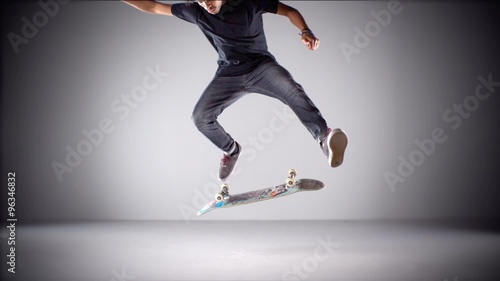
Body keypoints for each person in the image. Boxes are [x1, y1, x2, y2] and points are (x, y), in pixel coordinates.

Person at [123, 0, 348, 181]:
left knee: (293, 92)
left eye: (209, 0)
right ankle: (231, 150)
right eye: (200, 1)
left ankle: (324, 137)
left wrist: (305, 31)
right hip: (228, 75)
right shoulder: (196, 11)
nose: (206, 5)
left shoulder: (249, 2)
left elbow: (289, 10)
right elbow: (153, 6)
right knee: (200, 117)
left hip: (262, 67)